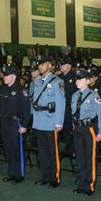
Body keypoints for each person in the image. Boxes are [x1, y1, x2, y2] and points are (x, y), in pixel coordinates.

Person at [31, 56, 65, 188]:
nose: (40, 67)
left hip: (51, 122)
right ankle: (45, 176)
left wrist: (58, 123)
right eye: (39, 64)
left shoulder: (57, 82)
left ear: (49, 65)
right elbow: (34, 102)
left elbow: (61, 103)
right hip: (39, 121)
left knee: (53, 152)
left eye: (43, 64)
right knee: (43, 151)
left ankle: (55, 178)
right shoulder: (37, 81)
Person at [71, 69, 101, 196]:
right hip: (77, 130)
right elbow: (73, 114)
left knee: (89, 158)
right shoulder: (74, 95)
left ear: (87, 81)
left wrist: (100, 132)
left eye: (80, 79)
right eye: (76, 79)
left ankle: (90, 185)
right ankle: (81, 184)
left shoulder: (94, 95)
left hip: (89, 129)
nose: (77, 82)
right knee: (80, 158)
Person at [0, 63, 31, 183]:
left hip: (15, 123)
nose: (4, 77)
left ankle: (19, 174)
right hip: (5, 123)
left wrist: (24, 125)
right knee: (8, 149)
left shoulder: (21, 91)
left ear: (13, 76)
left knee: (17, 149)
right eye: (4, 75)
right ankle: (11, 173)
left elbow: (26, 110)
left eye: (7, 75)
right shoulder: (2, 89)